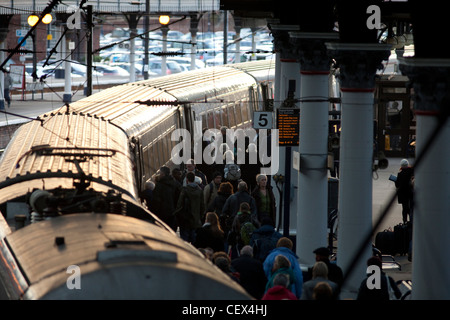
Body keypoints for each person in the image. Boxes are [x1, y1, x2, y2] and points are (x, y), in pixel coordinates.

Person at [174, 171, 204, 243]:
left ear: (187, 180)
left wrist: (177, 214)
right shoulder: (199, 190)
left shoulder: (185, 190)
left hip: (185, 219)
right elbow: (202, 205)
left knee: (184, 238)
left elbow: (179, 204)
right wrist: (200, 216)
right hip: (195, 219)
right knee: (193, 237)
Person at [151, 166, 181, 231]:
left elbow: (156, 200)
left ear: (163, 174)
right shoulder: (175, 183)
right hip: (172, 212)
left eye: (160, 173)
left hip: (162, 213)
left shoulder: (159, 185)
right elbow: (179, 198)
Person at [395, 159, 414, 223]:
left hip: (403, 194)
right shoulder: (411, 171)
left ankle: (405, 222)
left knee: (404, 209)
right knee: (411, 208)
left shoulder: (400, 174)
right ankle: (412, 221)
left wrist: (396, 180)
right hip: (410, 193)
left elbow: (397, 185)